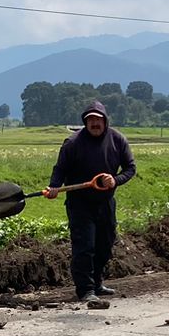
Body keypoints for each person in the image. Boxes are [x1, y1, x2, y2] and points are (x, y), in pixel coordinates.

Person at [44, 101, 136, 304]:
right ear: (85, 122)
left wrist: (115, 180)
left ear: (105, 120)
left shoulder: (117, 139)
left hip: (105, 203)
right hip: (80, 205)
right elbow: (60, 169)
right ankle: (85, 290)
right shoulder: (73, 143)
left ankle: (97, 283)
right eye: (90, 120)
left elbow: (130, 168)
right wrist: (54, 187)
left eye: (98, 119)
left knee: (105, 245)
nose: (94, 123)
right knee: (84, 247)